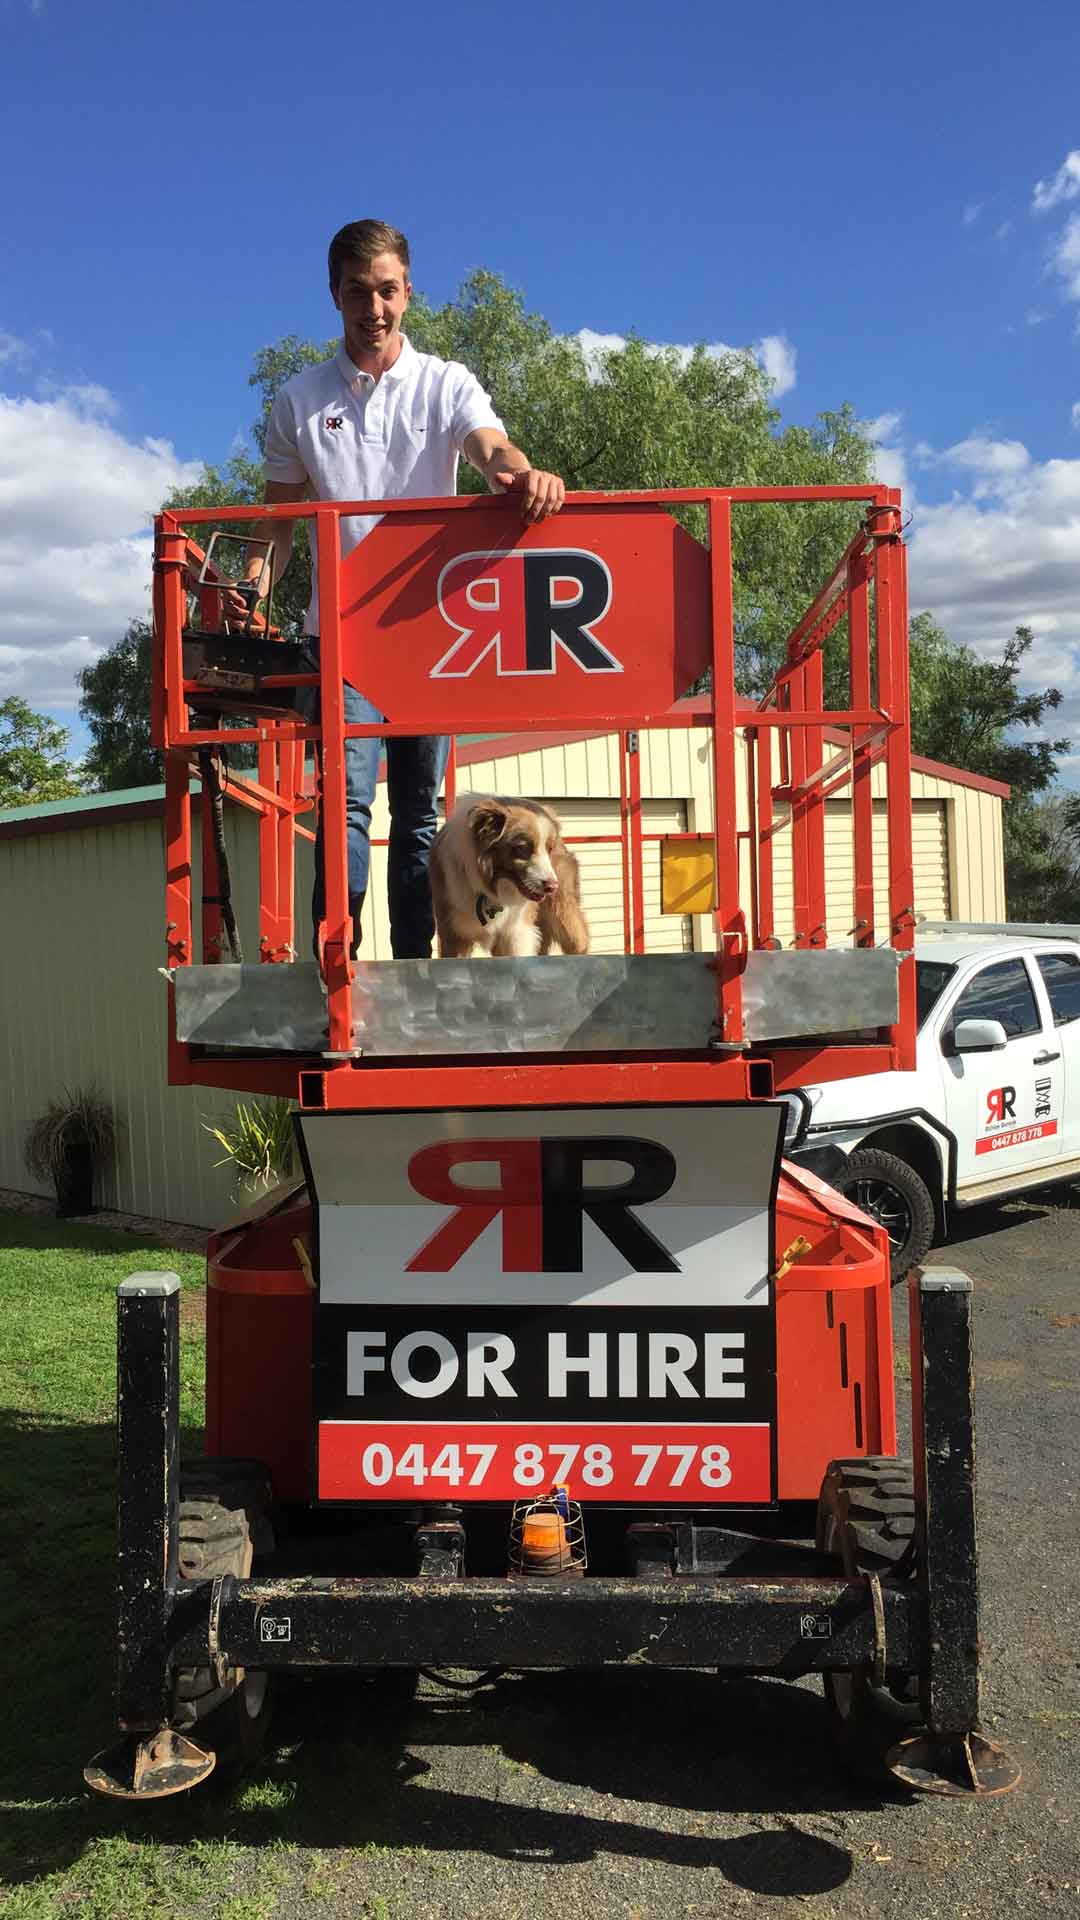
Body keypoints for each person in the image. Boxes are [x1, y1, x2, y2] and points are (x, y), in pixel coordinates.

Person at [233, 218, 565, 964]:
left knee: (419, 814)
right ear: (335, 296)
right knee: (344, 805)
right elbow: (278, 525)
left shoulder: (445, 382)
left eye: (386, 290)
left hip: (433, 635)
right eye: (357, 292)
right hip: (344, 636)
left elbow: (490, 450)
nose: (373, 308)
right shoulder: (298, 400)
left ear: (408, 292)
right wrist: (246, 593)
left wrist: (521, 473)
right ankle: (337, 962)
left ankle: (415, 966)